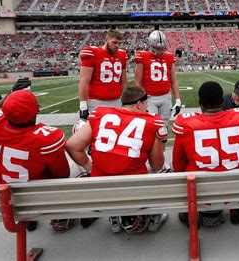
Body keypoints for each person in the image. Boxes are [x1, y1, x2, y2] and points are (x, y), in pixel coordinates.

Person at [66, 86, 168, 234]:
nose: (147, 107)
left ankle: (114, 216)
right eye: (146, 103)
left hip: (101, 194)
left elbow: (72, 146)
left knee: (74, 167)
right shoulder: (152, 122)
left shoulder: (101, 114)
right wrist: (160, 140)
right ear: (139, 104)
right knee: (165, 168)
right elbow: (157, 165)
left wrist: (90, 168)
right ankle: (154, 215)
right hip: (136, 193)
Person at [0, 90, 73, 233]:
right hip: (36, 199)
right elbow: (63, 175)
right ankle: (60, 218)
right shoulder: (47, 138)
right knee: (75, 165)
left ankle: (30, 219)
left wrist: (11, 96)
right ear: (36, 111)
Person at [172, 81, 239, 226]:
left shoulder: (185, 123)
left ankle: (189, 214)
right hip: (234, 184)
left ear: (200, 102)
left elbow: (178, 166)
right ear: (222, 100)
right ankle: (236, 208)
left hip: (199, 189)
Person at [78, 30, 128, 119]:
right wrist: (83, 106)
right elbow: (84, 81)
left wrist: (126, 100)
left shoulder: (122, 55)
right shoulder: (93, 53)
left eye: (119, 43)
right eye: (114, 42)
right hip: (96, 102)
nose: (117, 45)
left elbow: (123, 81)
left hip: (117, 101)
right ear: (106, 40)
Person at [134, 30, 181, 122]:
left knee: (164, 126)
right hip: (149, 98)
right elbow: (137, 81)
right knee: (151, 125)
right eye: (158, 48)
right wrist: (141, 99)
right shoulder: (142, 56)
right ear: (151, 45)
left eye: (162, 48)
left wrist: (178, 100)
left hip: (166, 97)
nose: (161, 50)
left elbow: (173, 81)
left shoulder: (169, 57)